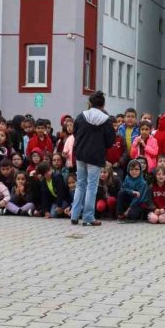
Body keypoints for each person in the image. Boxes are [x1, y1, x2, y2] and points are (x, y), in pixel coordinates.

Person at [70, 91, 115, 227]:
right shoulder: (106, 120)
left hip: (80, 154)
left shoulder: (81, 116)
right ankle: (88, 217)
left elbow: (75, 133)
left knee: (80, 184)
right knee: (92, 186)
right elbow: (110, 140)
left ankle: (74, 215)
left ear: (90, 103)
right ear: (103, 104)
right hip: (95, 156)